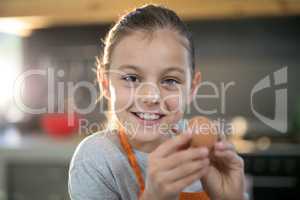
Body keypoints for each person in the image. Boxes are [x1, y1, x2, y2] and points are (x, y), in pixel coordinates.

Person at [68, 4, 247, 200]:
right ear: (105, 83)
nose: (151, 97)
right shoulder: (97, 158)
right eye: (131, 78)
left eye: (170, 80)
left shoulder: (206, 154)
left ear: (192, 88)